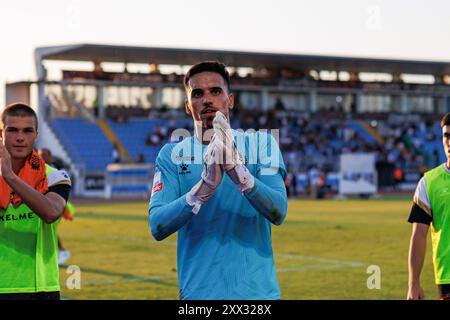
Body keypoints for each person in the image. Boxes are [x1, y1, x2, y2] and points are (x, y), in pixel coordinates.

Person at [148, 61, 288, 300]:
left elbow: (278, 210)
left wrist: (239, 173)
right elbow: (157, 226)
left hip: (258, 295)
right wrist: (203, 189)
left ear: (230, 100)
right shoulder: (171, 155)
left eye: (216, 91)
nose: (207, 99)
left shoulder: (262, 144)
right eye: (198, 93)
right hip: (200, 295)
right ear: (188, 105)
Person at [0, 103, 71, 300]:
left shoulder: (55, 177)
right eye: (12, 130)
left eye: (27, 131)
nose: (20, 137)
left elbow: (51, 212)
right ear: (1, 133)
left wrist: (10, 177)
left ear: (36, 135)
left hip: (41, 288)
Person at [407, 112, 450, 300]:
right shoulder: (428, 182)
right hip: (447, 277)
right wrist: (413, 283)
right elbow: (418, 235)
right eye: (447, 136)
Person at [38, 147, 75, 266]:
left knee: (49, 227)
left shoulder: (57, 171)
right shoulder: (35, 170)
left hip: (57, 205)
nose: (42, 156)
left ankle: (62, 251)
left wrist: (65, 208)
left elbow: (63, 191)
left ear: (50, 156)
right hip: (42, 204)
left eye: (44, 154)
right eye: (40, 154)